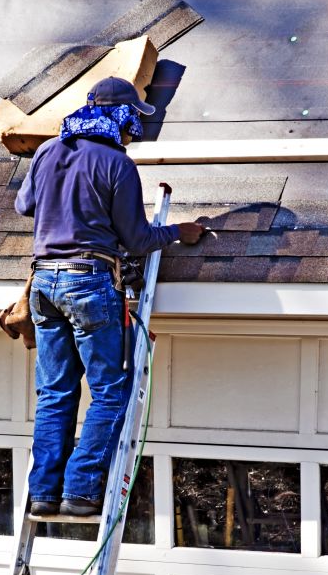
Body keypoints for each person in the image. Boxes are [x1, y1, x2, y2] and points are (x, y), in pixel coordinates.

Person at [15, 76, 204, 517]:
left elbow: (24, 206)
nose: (132, 132)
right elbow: (137, 240)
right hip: (88, 280)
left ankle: (44, 492)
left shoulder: (46, 151)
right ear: (120, 117)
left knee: (56, 392)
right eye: (131, 121)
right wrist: (179, 231)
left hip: (43, 282)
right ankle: (80, 492)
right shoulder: (117, 164)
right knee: (109, 393)